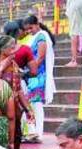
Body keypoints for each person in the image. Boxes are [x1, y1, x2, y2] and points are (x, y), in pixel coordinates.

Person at [0, 35, 35, 149]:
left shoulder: (14, 65)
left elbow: (18, 89)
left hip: (14, 110)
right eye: (12, 47)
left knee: (15, 138)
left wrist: (28, 109)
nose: (15, 50)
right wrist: (2, 67)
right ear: (2, 50)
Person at [23, 14, 57, 142]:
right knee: (32, 104)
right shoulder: (36, 36)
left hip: (38, 75)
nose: (29, 31)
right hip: (33, 75)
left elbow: (40, 57)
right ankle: (33, 132)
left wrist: (30, 70)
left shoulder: (42, 36)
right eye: (27, 29)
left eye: (30, 28)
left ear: (37, 24)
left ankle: (39, 133)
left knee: (36, 104)